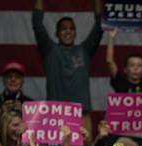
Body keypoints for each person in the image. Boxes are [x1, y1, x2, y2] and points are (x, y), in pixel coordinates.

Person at [32, 0, 102, 135]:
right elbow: (37, 24)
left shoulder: (85, 50)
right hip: (56, 115)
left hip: (82, 115)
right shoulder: (50, 50)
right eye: (63, 28)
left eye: (71, 28)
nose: (68, 32)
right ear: (57, 33)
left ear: (75, 33)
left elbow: (99, 26)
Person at [106, 28, 142, 92]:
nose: (135, 68)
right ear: (125, 70)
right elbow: (109, 61)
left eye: (139, 65)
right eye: (132, 65)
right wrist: (111, 38)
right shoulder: (120, 82)